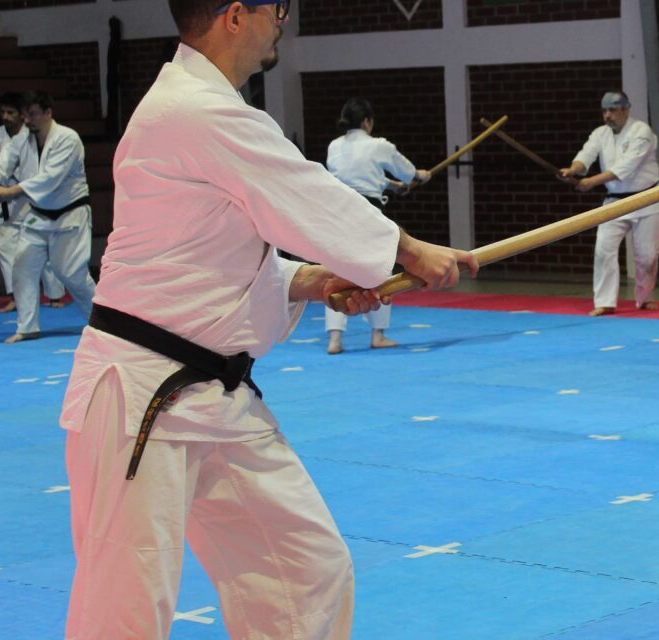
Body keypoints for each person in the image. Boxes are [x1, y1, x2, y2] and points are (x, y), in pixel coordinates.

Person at [56, 1, 476, 638]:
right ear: (233, 15)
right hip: (141, 393)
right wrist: (411, 250)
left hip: (214, 396)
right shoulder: (196, 109)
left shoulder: (201, 111)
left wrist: (312, 278)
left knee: (304, 570)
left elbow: (210, 260)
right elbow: (304, 190)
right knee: (127, 608)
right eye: (276, 7)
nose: (283, 19)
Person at [324, 96, 430, 355]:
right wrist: (419, 176)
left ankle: (334, 340)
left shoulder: (334, 146)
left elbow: (357, 178)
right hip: (367, 212)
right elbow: (406, 171)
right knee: (379, 269)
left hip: (338, 211)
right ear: (367, 122)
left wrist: (392, 186)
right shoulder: (378, 145)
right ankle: (378, 335)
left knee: (336, 271)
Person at [0, 90, 96, 342]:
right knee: (22, 266)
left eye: (33, 114)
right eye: (26, 115)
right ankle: (27, 327)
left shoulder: (68, 139)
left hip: (70, 214)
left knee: (70, 273)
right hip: (38, 214)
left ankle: (101, 320)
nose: (28, 120)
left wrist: (12, 191)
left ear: (48, 113)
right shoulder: (22, 139)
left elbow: (50, 177)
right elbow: (1, 165)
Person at [558, 91, 659, 316]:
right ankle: (604, 302)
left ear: (626, 109)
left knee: (647, 256)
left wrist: (590, 182)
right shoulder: (600, 134)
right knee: (603, 249)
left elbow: (626, 168)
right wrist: (573, 170)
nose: (608, 115)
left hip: (646, 198)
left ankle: (644, 298)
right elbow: (585, 156)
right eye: (604, 110)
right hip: (614, 202)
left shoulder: (642, 132)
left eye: (613, 110)